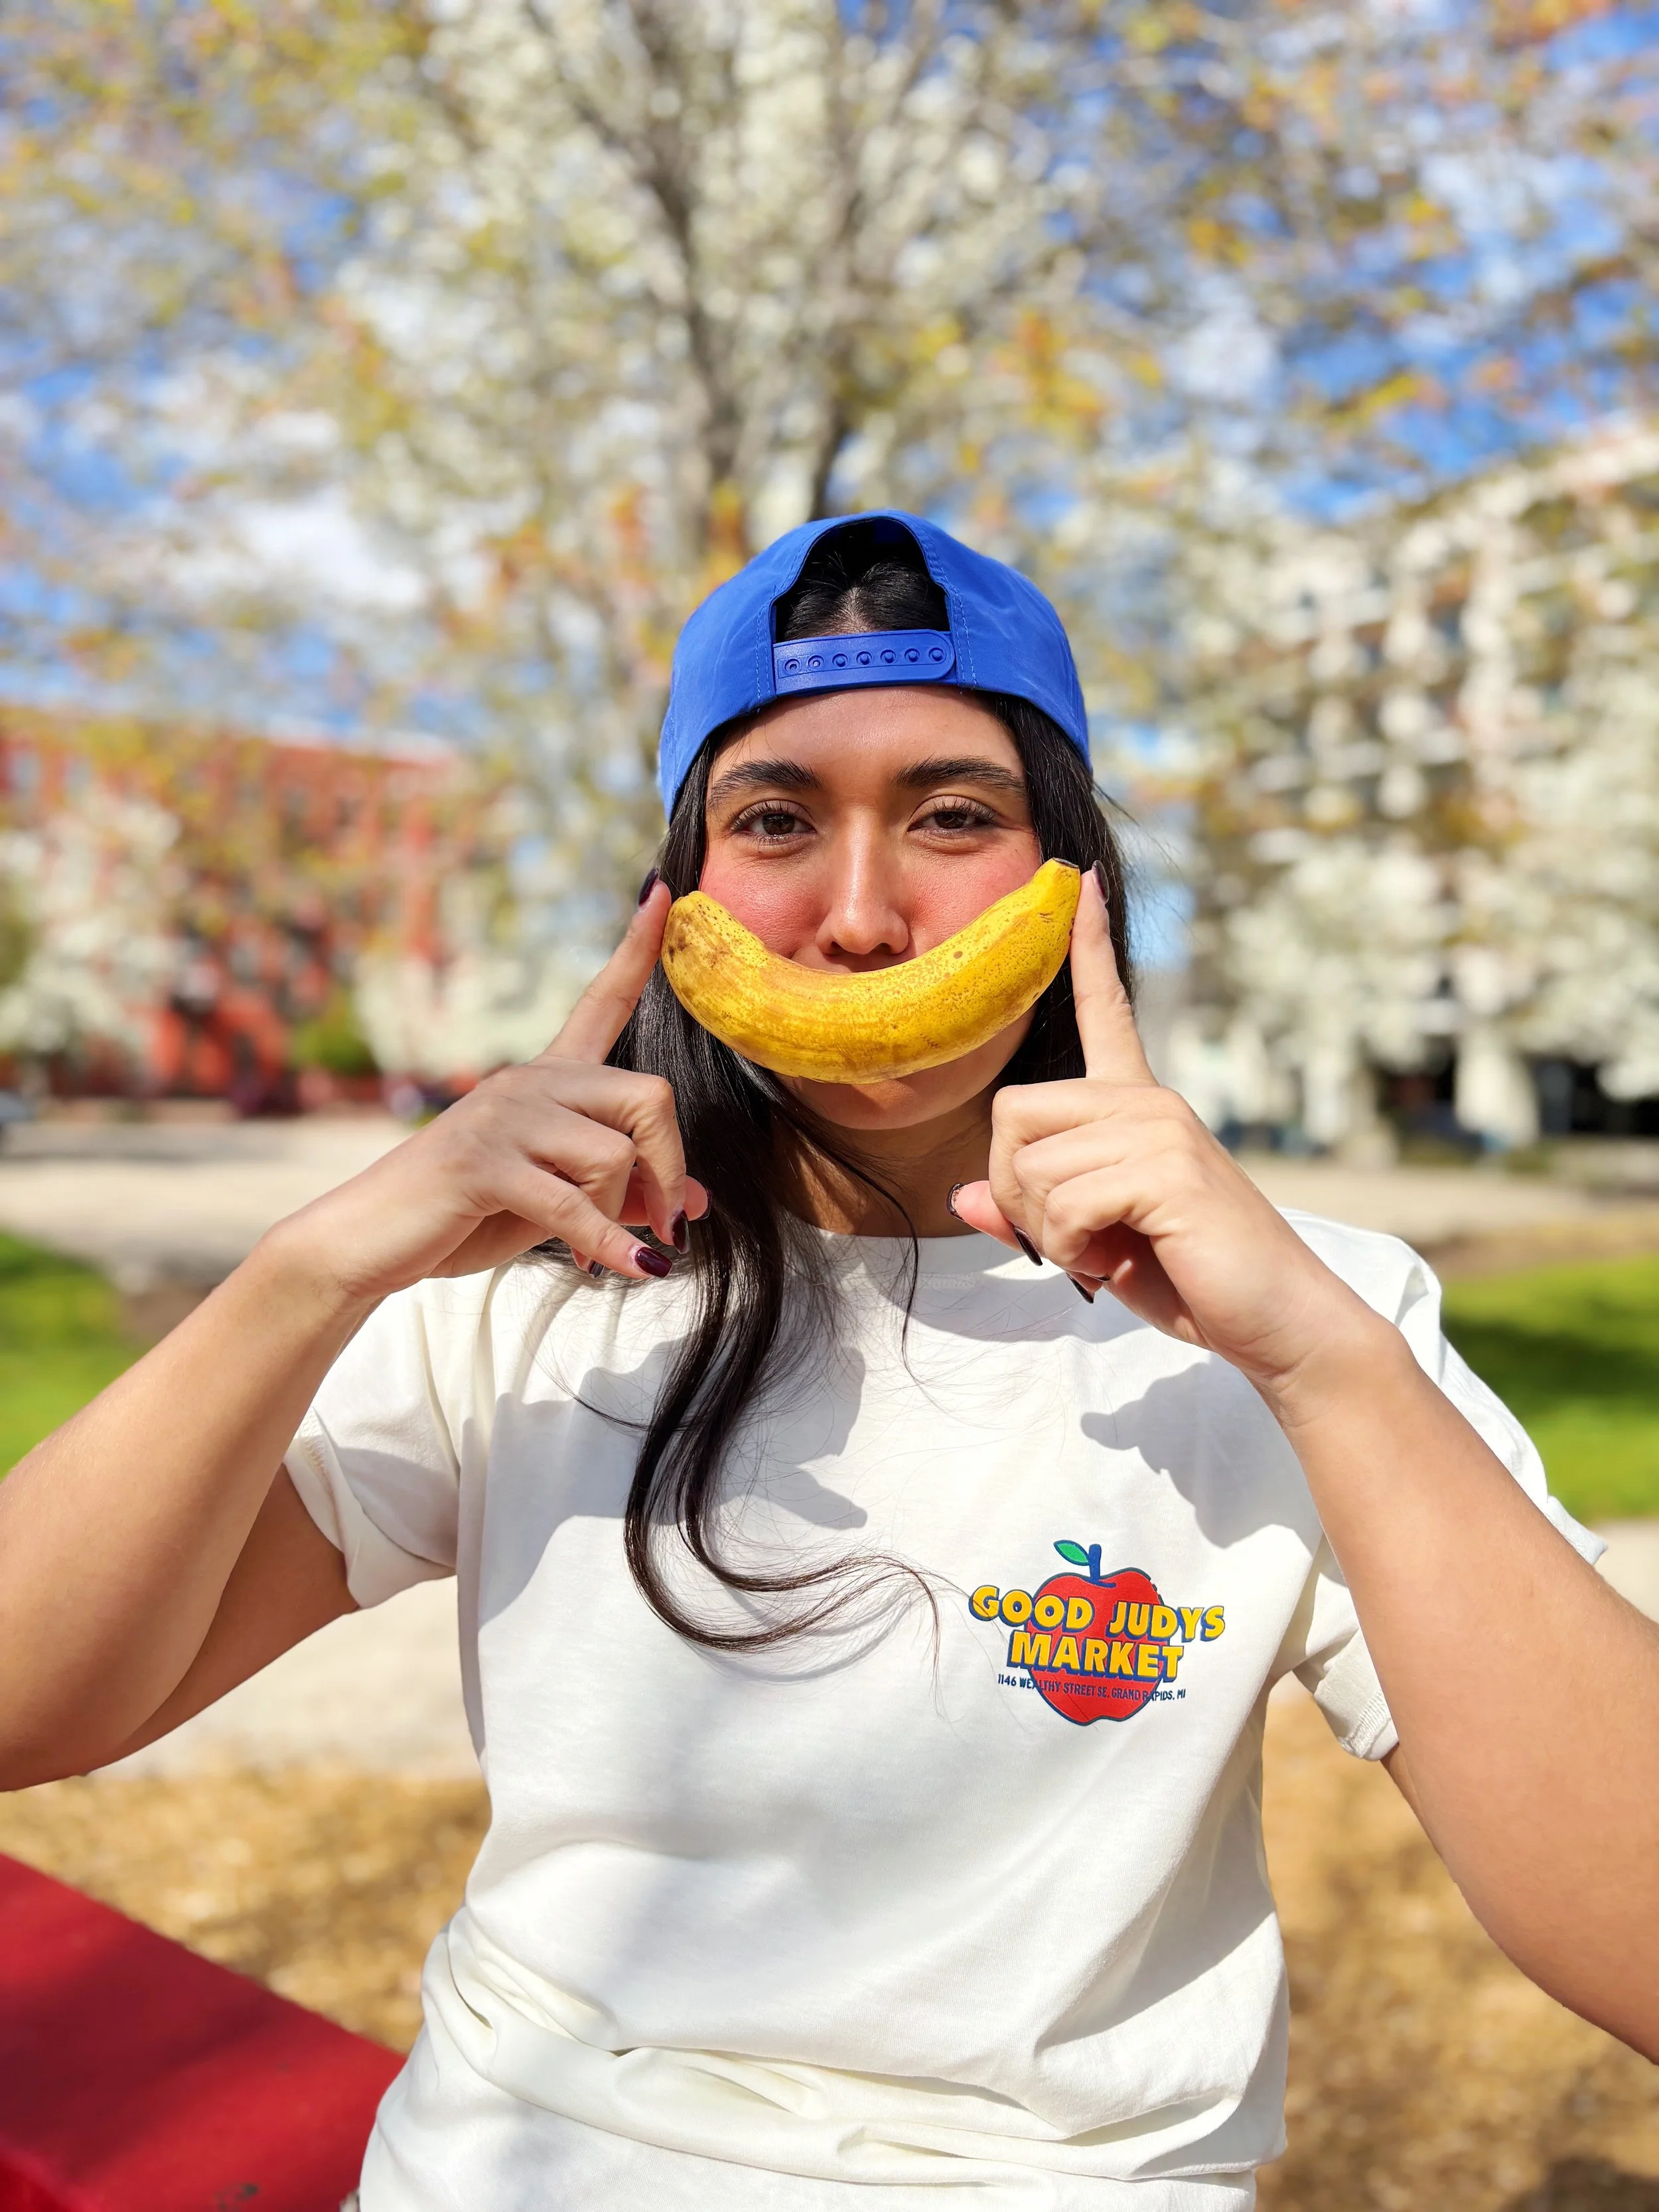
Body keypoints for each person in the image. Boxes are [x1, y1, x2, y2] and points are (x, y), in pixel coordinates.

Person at [2, 512, 1655, 2212]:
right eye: (775, 820)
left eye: (953, 816)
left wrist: (1322, 1363)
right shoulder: (529, 1286)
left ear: (1066, 879)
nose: (859, 917)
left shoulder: (1302, 1318)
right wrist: (311, 1268)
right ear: (681, 893)